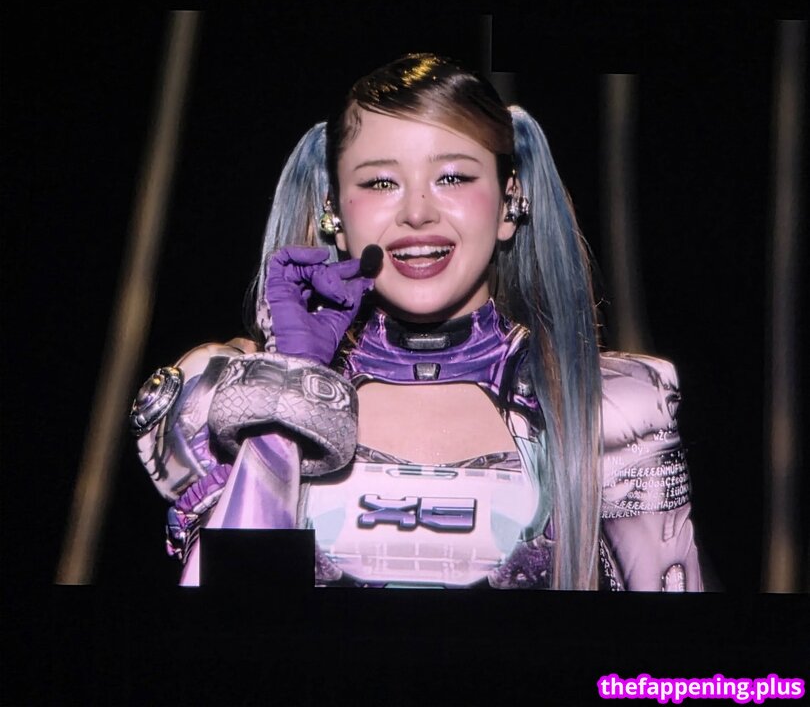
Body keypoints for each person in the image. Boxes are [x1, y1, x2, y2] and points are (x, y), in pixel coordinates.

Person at [131, 53, 703, 590]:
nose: (417, 212)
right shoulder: (219, 397)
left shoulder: (609, 407)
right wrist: (288, 390)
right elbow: (231, 618)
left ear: (510, 202)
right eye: (380, 182)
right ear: (334, 211)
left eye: (452, 177)